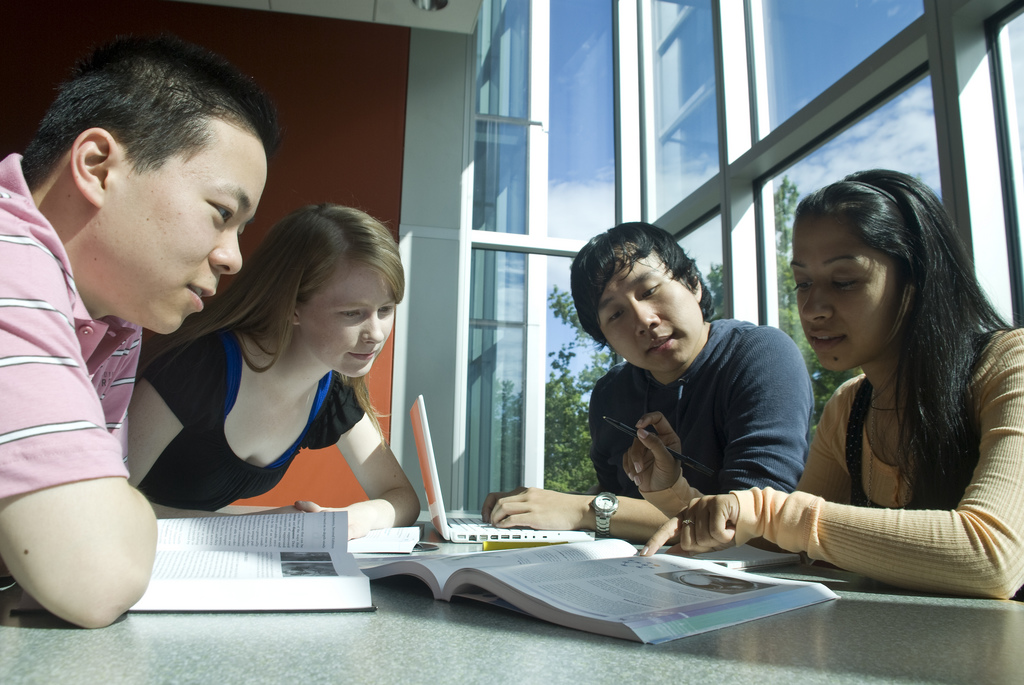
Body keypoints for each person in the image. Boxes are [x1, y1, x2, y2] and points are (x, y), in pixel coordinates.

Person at [0, 35, 279, 627]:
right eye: (222, 214)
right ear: (98, 167)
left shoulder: (114, 318)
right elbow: (94, 574)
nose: (233, 258)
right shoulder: (7, 259)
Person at [641, 169, 1024, 599]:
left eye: (844, 281)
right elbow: (780, 542)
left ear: (916, 280)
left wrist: (766, 511)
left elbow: (992, 558)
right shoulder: (849, 406)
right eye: (803, 283)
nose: (813, 308)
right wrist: (676, 495)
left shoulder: (1009, 365)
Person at [482, 222, 813, 542]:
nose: (644, 320)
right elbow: (618, 496)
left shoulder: (759, 355)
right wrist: (532, 513)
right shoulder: (610, 394)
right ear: (605, 338)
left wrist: (584, 509)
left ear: (693, 283)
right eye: (615, 315)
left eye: (650, 291)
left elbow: (753, 519)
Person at [126, 204, 420, 540]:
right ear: (291, 307)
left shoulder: (331, 391)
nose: (376, 333)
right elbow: (102, 504)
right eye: (352, 313)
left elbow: (401, 499)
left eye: (385, 309)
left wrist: (357, 518)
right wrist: (255, 527)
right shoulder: (198, 367)